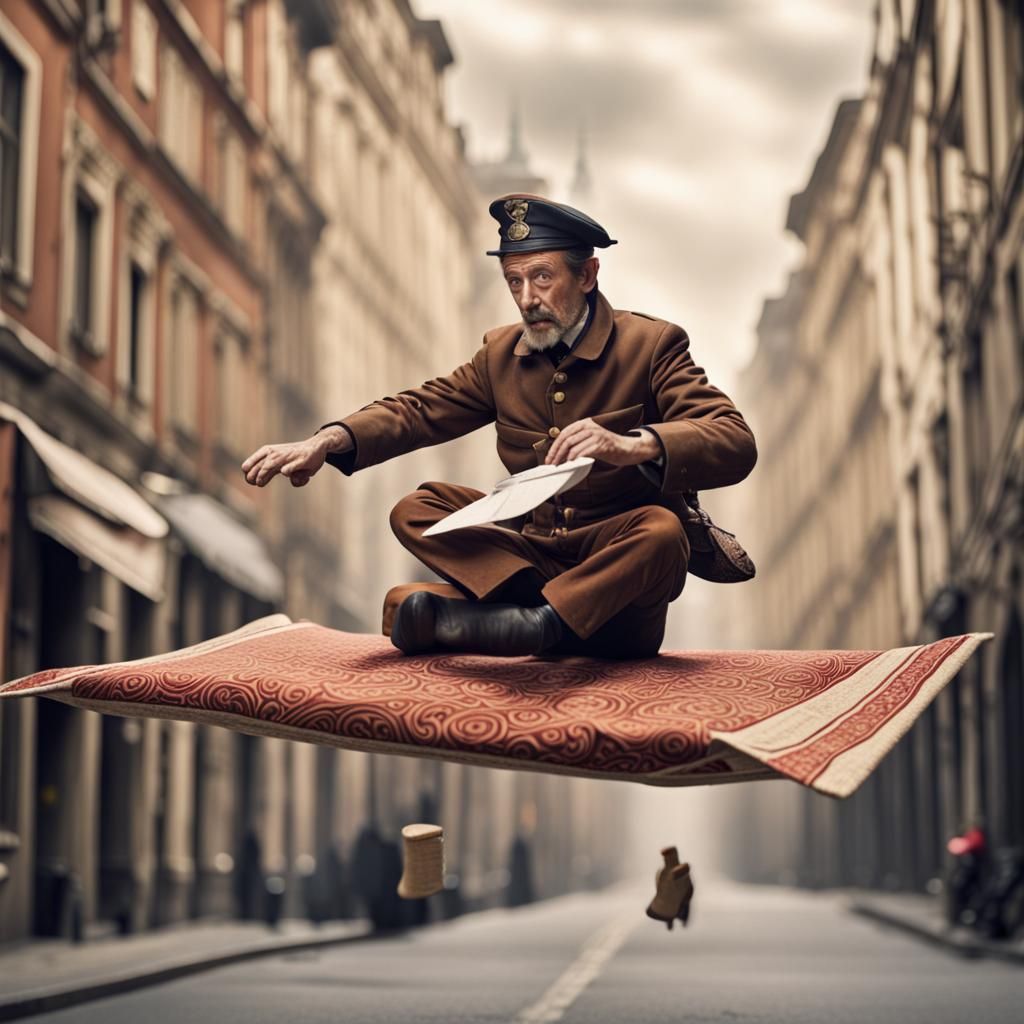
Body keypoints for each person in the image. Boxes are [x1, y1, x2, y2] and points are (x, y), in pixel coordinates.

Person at [242, 194, 757, 659]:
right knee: (416, 509)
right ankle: (527, 620)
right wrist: (329, 440)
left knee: (663, 533)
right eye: (514, 281)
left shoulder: (652, 345)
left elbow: (733, 438)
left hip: (617, 578)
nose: (527, 297)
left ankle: (538, 625)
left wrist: (634, 445)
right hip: (530, 561)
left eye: (542, 277)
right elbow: (420, 409)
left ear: (587, 275)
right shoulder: (500, 355)